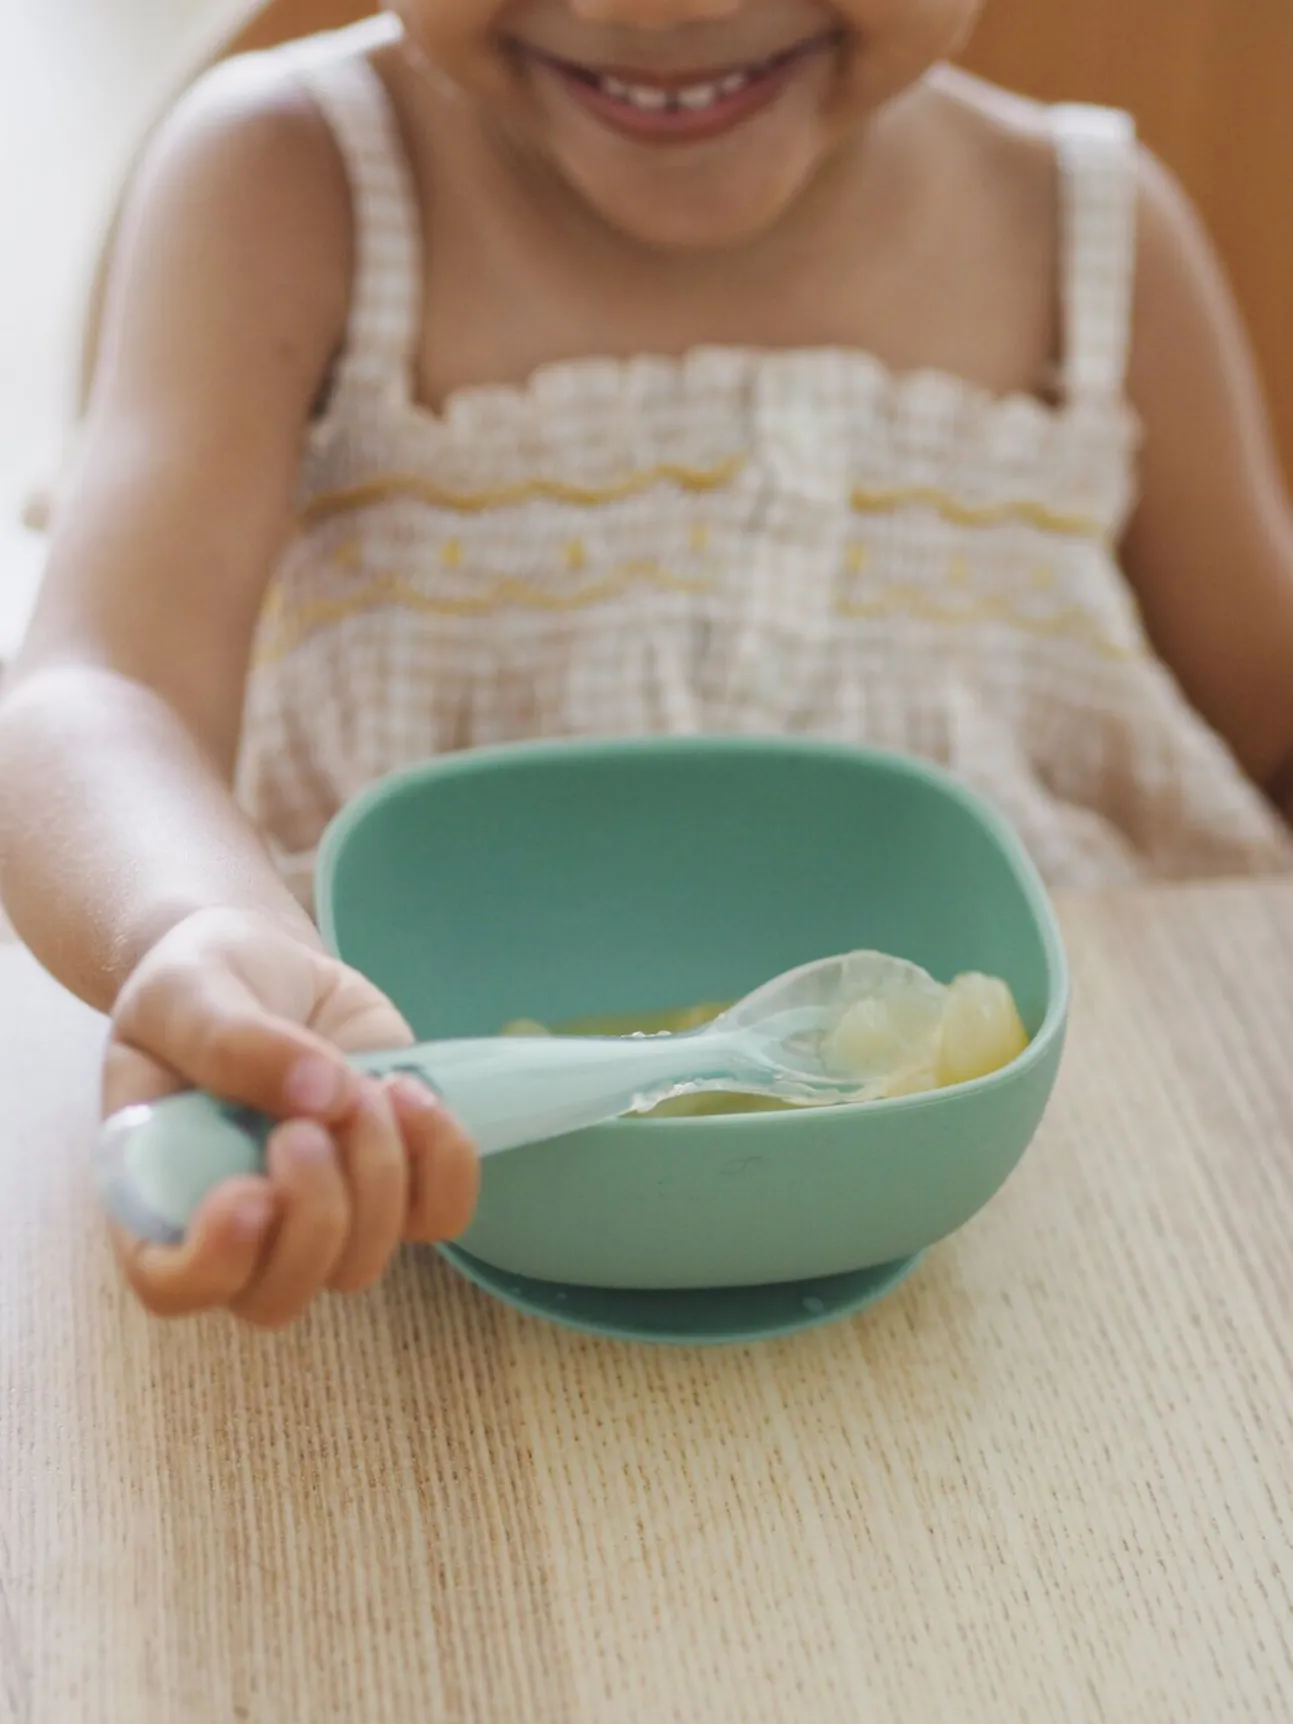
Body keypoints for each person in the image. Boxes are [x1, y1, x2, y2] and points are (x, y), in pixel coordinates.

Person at [2, 1, 1291, 1329]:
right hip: (413, 1271)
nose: (663, 6)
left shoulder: (1099, 238)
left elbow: (1269, 722)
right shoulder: (292, 181)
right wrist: (194, 926)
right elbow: (98, 689)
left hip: (1086, 1256)